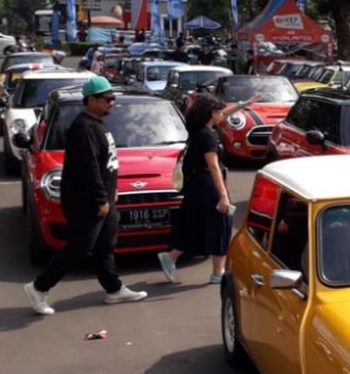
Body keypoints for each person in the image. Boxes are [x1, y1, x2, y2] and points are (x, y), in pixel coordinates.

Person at [23, 76, 147, 315]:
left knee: (105, 245)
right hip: (86, 202)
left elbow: (105, 163)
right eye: (108, 99)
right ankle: (39, 287)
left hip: (105, 198)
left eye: (113, 99)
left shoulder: (97, 122)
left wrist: (113, 190)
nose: (112, 103)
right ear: (92, 100)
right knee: (79, 247)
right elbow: (88, 168)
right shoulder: (83, 128)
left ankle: (114, 289)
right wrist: (101, 199)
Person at [156, 94, 244, 285]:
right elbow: (213, 166)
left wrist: (242, 105)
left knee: (196, 224)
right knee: (220, 224)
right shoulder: (209, 136)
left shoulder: (197, 129)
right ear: (212, 113)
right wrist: (223, 196)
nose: (223, 114)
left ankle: (171, 257)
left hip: (196, 184)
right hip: (208, 184)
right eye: (220, 111)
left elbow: (222, 113)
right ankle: (217, 272)